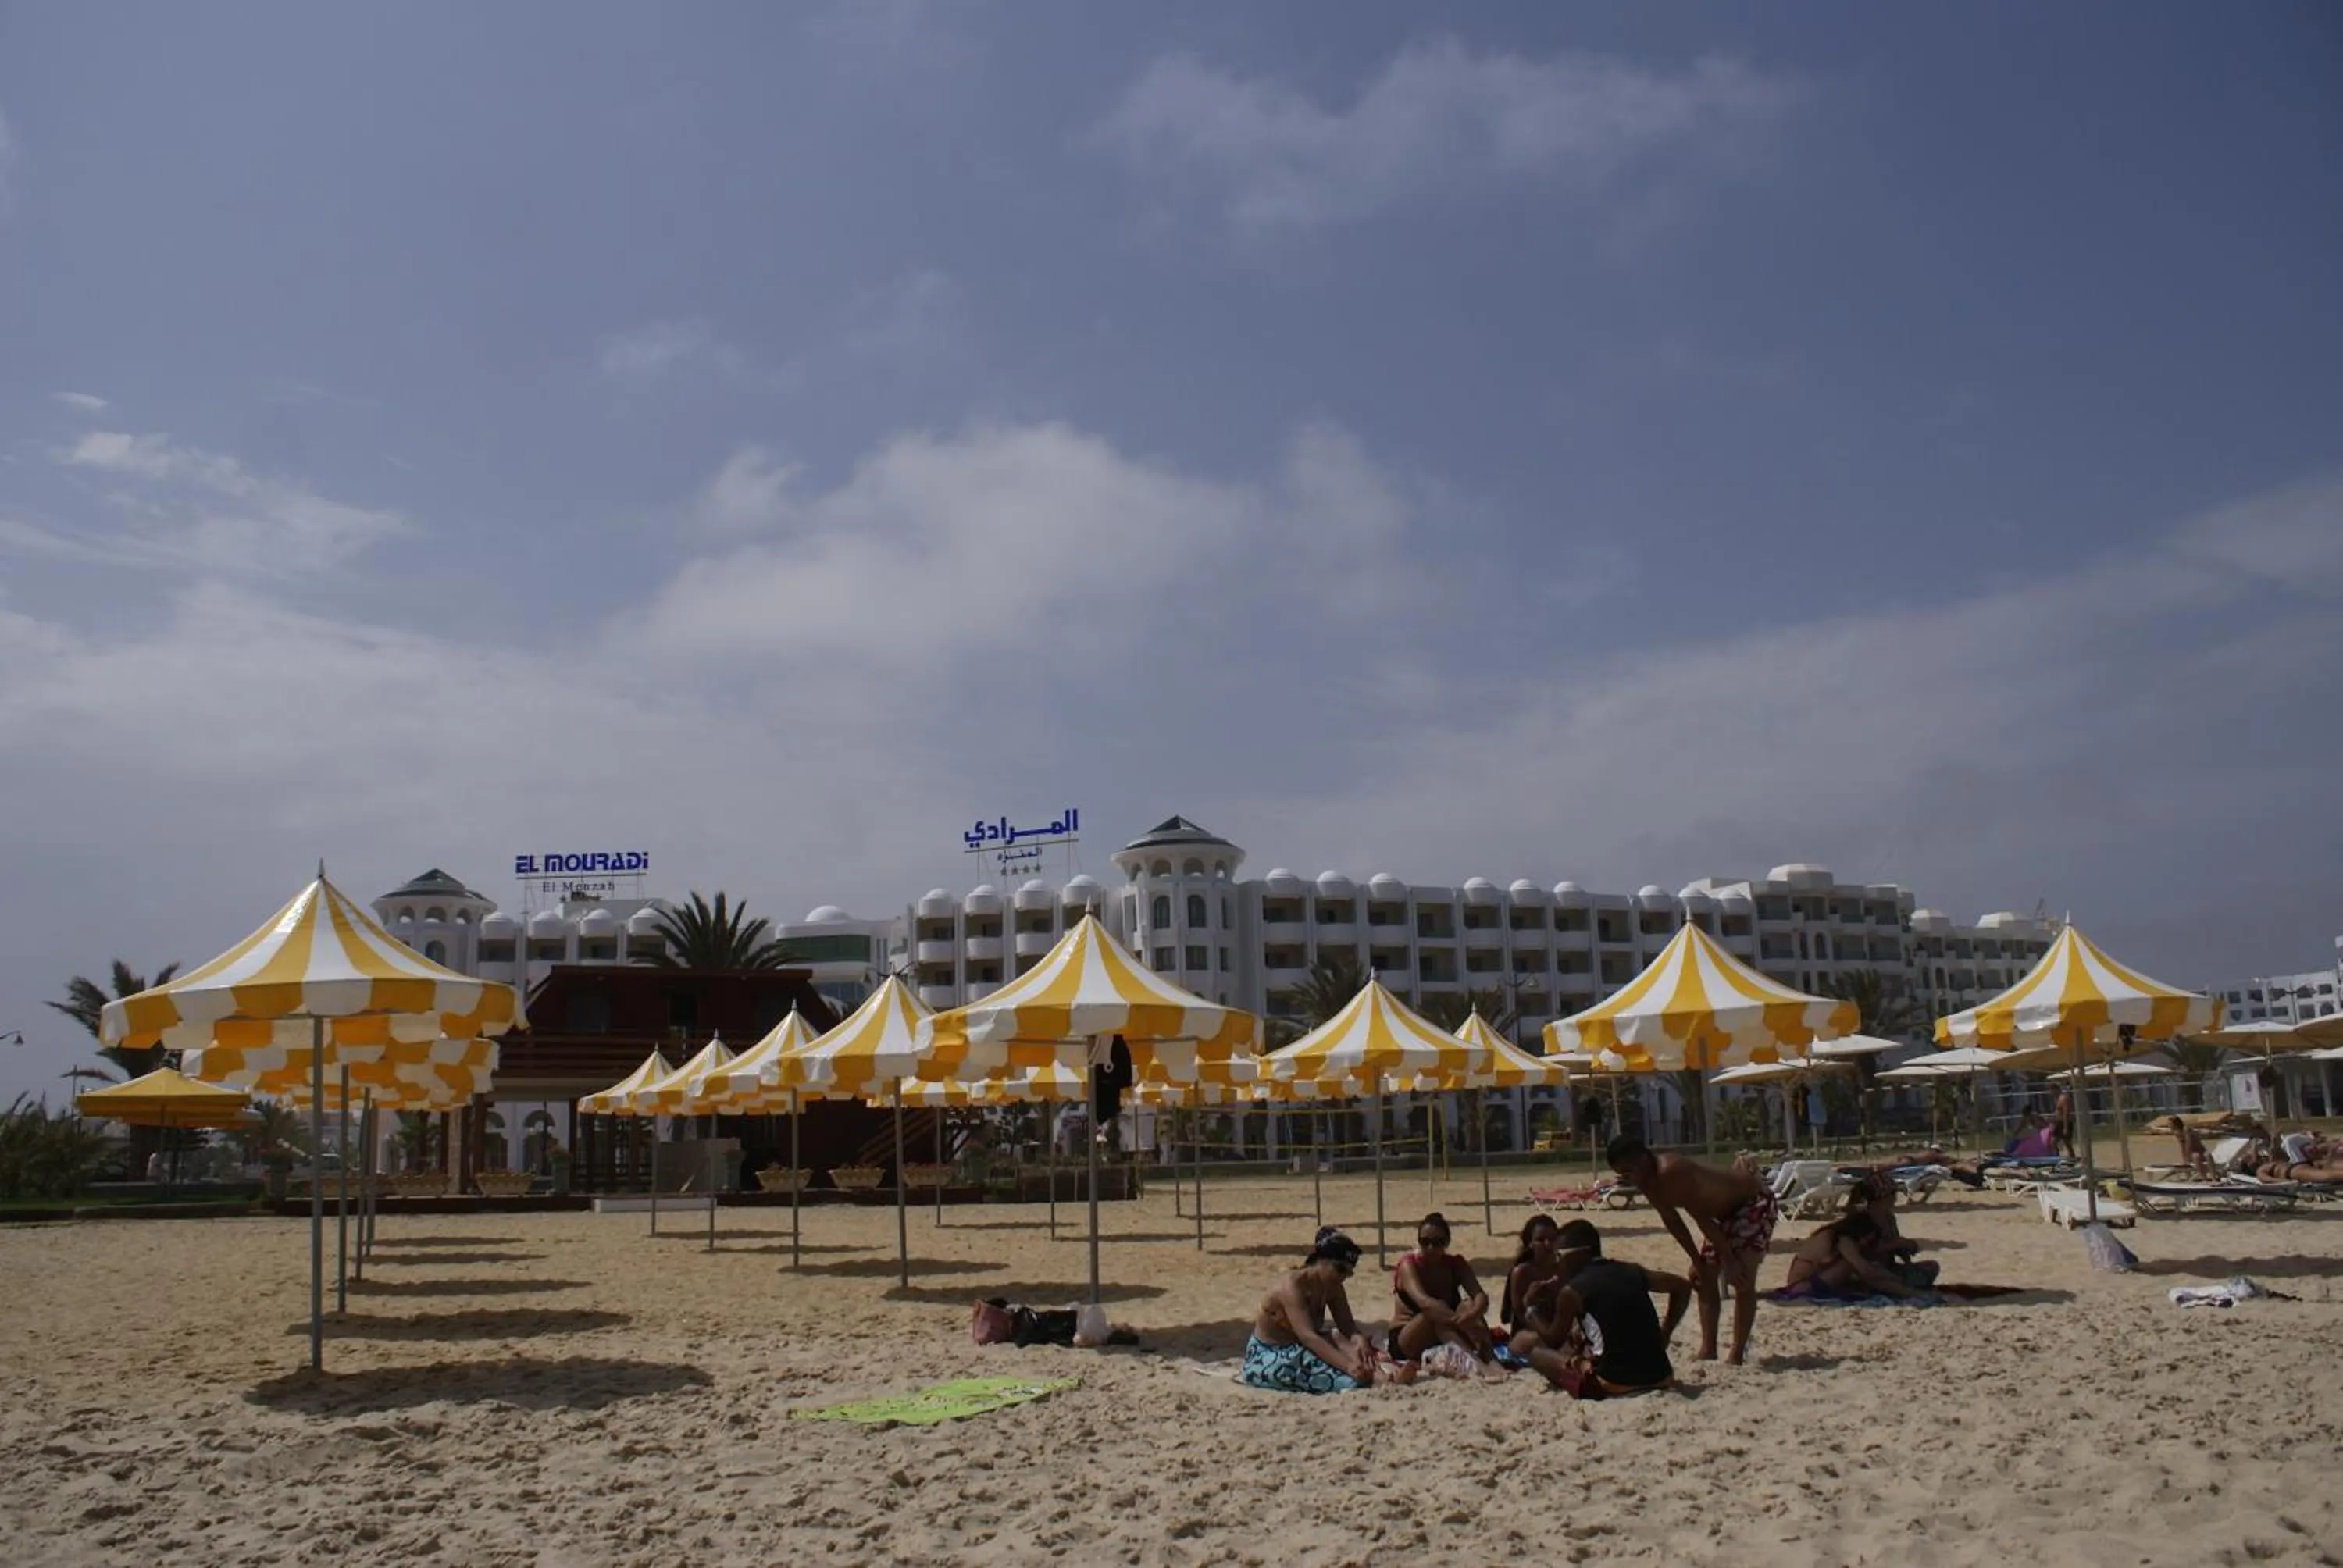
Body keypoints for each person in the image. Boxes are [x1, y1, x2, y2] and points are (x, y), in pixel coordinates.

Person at [1607, 1134, 1776, 1365]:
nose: (1627, 1178)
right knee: (1702, 1277)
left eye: (1628, 1171)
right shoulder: (1646, 1182)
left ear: (1643, 1160)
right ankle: (1708, 1349)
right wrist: (1696, 1260)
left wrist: (1730, 1259)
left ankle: (1736, 1353)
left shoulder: (1671, 1171)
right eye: (1622, 1174)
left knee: (1742, 1278)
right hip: (1720, 1216)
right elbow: (1673, 1221)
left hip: (1751, 1202)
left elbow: (1700, 1215)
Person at [1511, 1219, 1691, 1398]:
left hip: (1614, 1383)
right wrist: (1666, 1331)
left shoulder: (1572, 1291)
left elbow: (1552, 1340)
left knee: (1538, 1356)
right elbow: (1682, 1287)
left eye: (1559, 1256)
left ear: (1579, 1254)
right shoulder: (1632, 1271)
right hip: (1662, 1376)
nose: (1556, 1263)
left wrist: (1531, 1308)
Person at [1242, 1228, 1382, 1393]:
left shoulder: (1333, 1287)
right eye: (1339, 1269)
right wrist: (1348, 1366)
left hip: (1301, 1348)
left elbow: (1348, 1327)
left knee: (1339, 1338)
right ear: (1321, 1260)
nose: (1343, 1276)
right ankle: (1368, 1379)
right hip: (1271, 1354)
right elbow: (1308, 1336)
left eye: (1348, 1272)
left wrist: (1359, 1340)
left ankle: (1380, 1375)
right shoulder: (1292, 1286)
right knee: (1331, 1373)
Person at [1388, 1212, 1494, 1362]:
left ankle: (1489, 1356)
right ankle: (1478, 1360)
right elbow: (1425, 1303)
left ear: (1447, 1243)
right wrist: (1460, 1323)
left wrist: (1473, 1314)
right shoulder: (1409, 1265)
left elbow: (1480, 1296)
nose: (1431, 1248)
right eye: (1425, 1242)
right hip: (1410, 1337)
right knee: (1433, 1311)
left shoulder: (1455, 1264)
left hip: (1445, 1332)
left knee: (1468, 1305)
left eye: (1438, 1242)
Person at [1783, 1211, 1920, 1299]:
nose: (1866, 1243)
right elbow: (1864, 1269)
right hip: (1803, 1287)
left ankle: (1905, 1291)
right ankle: (1907, 1292)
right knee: (1855, 1266)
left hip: (1812, 1281)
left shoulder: (1837, 1237)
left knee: (1862, 1270)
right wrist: (1893, 1278)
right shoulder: (1842, 1240)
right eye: (1867, 1239)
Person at [1842, 1172, 1938, 1289]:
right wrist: (1895, 1244)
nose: (1895, 1197)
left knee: (1931, 1267)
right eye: (1892, 1193)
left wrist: (1906, 1248)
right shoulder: (1861, 1218)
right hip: (1865, 1268)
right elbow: (1860, 1251)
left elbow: (1895, 1243)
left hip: (1887, 1266)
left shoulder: (1888, 1217)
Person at [1500, 1214, 1568, 1334]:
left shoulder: (1563, 1267)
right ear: (1530, 1243)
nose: (1548, 1244)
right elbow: (1520, 1316)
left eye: (1552, 1239)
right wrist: (1530, 1300)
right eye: (1540, 1240)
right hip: (1528, 1333)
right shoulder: (1522, 1272)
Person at [2050, 1087, 2077, 1160]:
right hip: (2060, 1123)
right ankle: (2058, 1158)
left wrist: (2066, 1127)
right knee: (2056, 1142)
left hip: (2065, 1123)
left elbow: (2066, 1113)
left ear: (2056, 1089)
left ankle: (2071, 1157)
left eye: (2052, 1091)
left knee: (2064, 1142)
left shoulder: (2063, 1098)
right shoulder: (2057, 1099)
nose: (2052, 1093)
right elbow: (2058, 1112)